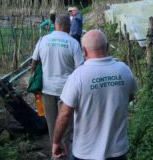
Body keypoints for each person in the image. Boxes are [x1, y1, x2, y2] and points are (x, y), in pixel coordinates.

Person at [52, 30, 138, 160]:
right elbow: (130, 97)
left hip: (85, 153)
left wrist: (56, 142)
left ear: (84, 51)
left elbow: (65, 114)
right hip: (117, 151)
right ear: (108, 47)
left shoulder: (78, 76)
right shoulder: (124, 70)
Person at [31, 15, 84, 150]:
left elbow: (34, 63)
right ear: (69, 26)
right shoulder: (73, 43)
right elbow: (80, 69)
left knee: (51, 123)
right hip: (67, 92)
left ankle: (54, 152)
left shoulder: (43, 40)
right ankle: (64, 152)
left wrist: (35, 79)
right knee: (65, 126)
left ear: (56, 25)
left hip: (47, 89)